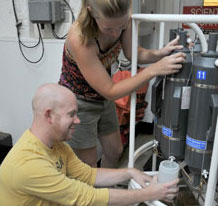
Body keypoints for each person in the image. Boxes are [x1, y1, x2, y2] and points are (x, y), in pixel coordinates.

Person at [0, 83, 180, 206]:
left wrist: (130, 172)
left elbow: (88, 175)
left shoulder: (57, 144)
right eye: (71, 114)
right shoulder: (29, 165)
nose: (77, 121)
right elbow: (88, 197)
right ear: (49, 115)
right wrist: (150, 194)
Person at [59, 0, 186, 167]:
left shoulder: (123, 20)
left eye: (121, 27)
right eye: (108, 28)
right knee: (87, 166)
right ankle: (95, 192)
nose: (115, 34)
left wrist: (161, 53)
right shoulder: (80, 38)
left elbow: (134, 54)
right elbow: (110, 90)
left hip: (102, 99)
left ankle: (107, 191)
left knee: (115, 151)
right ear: (91, 12)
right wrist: (154, 69)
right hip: (78, 103)